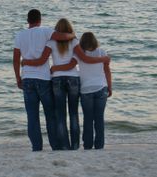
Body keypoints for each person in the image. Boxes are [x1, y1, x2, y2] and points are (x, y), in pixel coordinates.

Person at [21, 19, 110, 150]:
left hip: (57, 80)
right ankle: (75, 146)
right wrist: (104, 59)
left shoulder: (51, 42)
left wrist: (29, 63)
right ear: (69, 29)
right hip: (73, 79)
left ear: (57, 29)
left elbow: (42, 60)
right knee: (73, 114)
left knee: (60, 116)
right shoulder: (74, 42)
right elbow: (78, 61)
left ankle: (64, 146)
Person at [13, 9, 76, 151]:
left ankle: (37, 148)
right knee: (50, 114)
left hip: (27, 78)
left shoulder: (20, 35)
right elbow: (63, 37)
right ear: (40, 20)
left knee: (32, 116)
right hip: (44, 78)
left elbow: (16, 59)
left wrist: (18, 77)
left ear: (28, 21)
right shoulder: (45, 31)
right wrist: (72, 34)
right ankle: (55, 146)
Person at [47, 32, 112, 150]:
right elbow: (107, 71)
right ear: (95, 41)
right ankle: (99, 146)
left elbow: (69, 66)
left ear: (81, 42)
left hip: (86, 90)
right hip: (101, 88)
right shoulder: (102, 52)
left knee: (87, 118)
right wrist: (110, 86)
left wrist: (55, 68)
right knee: (99, 119)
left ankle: (87, 145)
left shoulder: (79, 54)